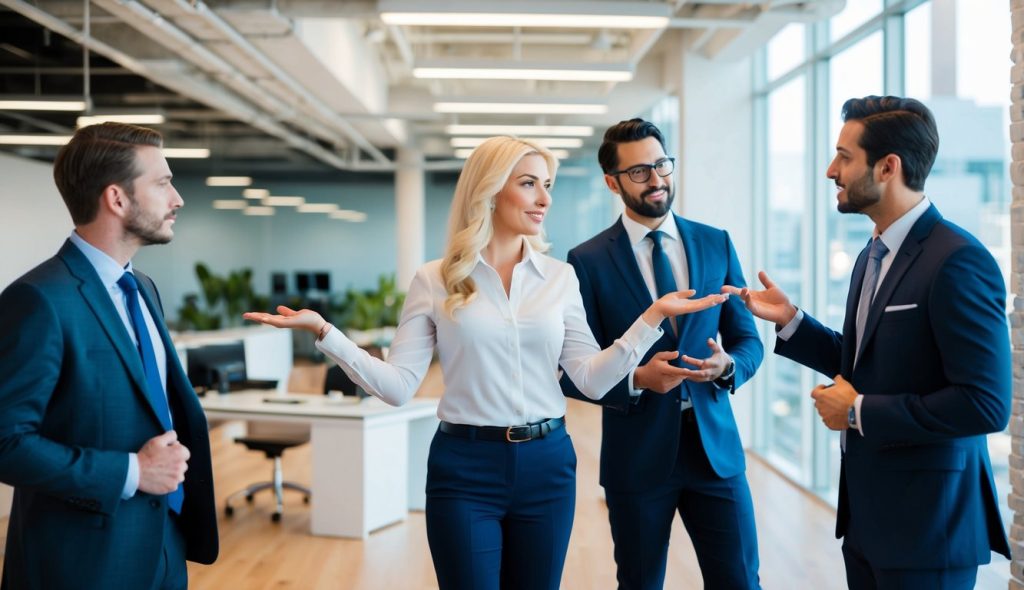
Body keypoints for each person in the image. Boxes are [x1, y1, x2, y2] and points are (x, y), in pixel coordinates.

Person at [243, 136, 728, 590]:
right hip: (465, 468)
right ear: (491, 191)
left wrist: (650, 317)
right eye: (529, 183)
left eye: (548, 185)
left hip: (548, 465)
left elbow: (590, 380)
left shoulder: (559, 277)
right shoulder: (435, 279)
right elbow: (397, 386)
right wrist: (326, 334)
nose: (545, 198)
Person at [725, 96, 1011, 588]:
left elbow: (986, 405)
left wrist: (858, 412)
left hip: (930, 528)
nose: (831, 170)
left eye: (844, 156)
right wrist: (792, 320)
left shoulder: (959, 260)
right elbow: (868, 363)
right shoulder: (872, 252)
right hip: (868, 523)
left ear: (887, 167)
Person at [0, 122, 219, 589]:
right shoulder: (40, 300)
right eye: (162, 183)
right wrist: (132, 471)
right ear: (117, 199)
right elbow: (5, 443)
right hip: (83, 563)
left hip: (164, 545)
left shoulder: (144, 289)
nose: (177, 199)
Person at [560, 119, 764, 589]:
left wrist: (726, 366)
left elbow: (748, 341)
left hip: (715, 451)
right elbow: (574, 371)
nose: (656, 179)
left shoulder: (716, 242)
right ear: (612, 182)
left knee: (740, 581)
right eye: (638, 172)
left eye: (661, 165)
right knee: (640, 583)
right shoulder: (586, 261)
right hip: (638, 455)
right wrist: (635, 380)